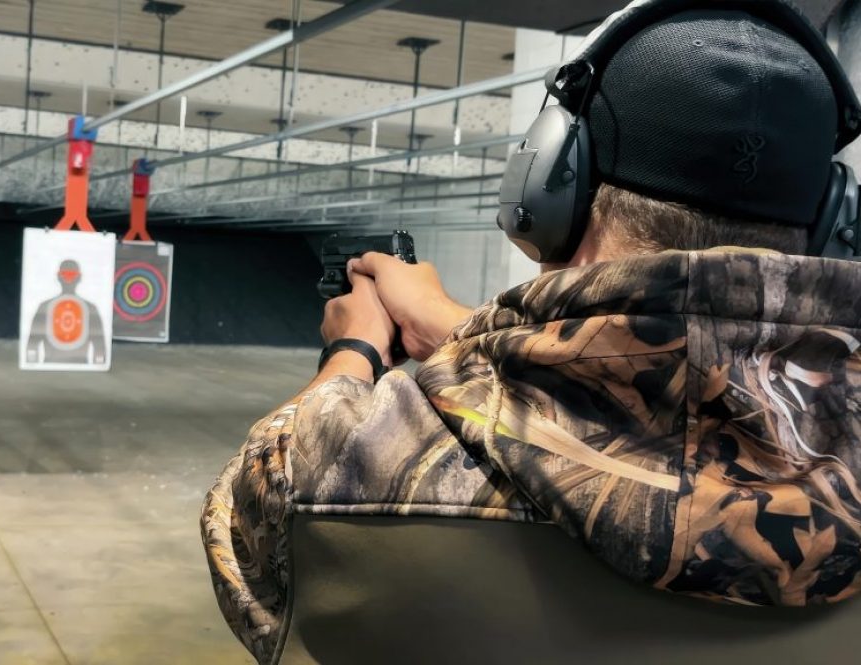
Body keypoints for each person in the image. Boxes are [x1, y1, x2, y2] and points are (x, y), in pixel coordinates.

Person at [201, 0, 861, 662]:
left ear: (549, 189)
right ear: (835, 221)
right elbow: (692, 389)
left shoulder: (351, 469)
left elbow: (247, 538)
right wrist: (467, 331)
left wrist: (354, 350)